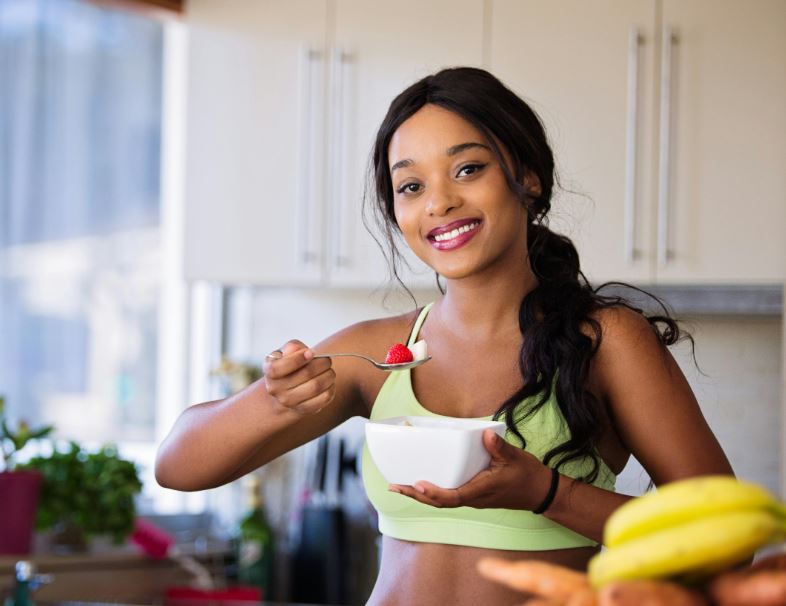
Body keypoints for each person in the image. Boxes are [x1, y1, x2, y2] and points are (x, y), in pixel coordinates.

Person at [155, 67, 733, 605]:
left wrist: (547, 493)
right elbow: (179, 467)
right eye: (410, 186)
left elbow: (721, 542)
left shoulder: (605, 342)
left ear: (527, 178)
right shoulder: (378, 355)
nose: (439, 202)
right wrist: (271, 399)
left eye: (468, 169)